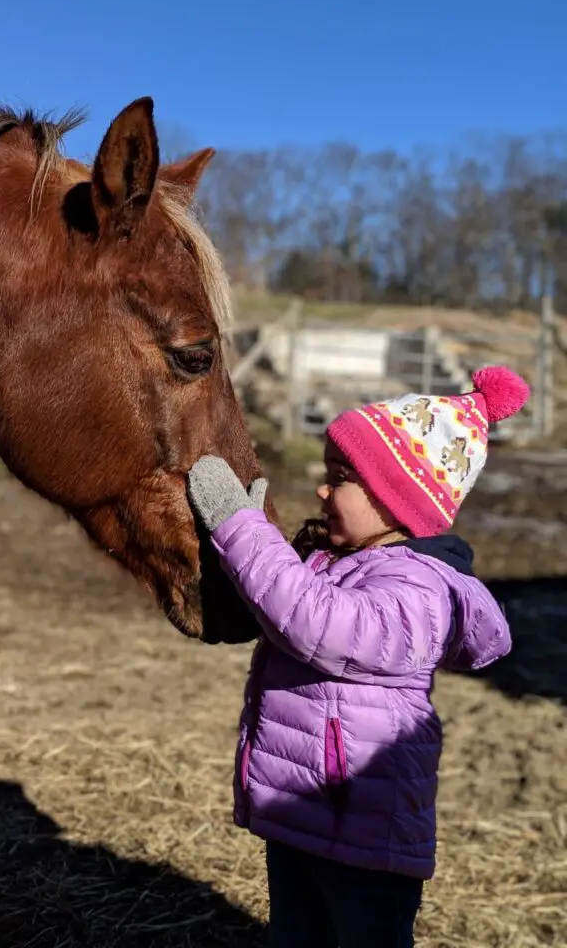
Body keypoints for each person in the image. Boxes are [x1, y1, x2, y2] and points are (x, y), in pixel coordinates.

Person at [187, 366, 528, 948]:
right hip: (305, 817)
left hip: (365, 839)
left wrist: (243, 531)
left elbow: (320, 625)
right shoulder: (345, 565)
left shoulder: (421, 591)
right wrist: (267, 551)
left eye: (340, 477)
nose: (323, 490)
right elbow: (284, 608)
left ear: (398, 500)